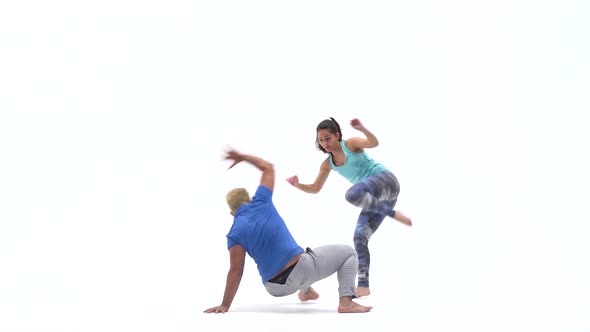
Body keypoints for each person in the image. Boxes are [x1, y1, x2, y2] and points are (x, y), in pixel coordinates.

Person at [203, 148, 372, 314]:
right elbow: (268, 167)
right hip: (302, 270)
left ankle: (306, 291)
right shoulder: (261, 201)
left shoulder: (234, 234)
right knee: (348, 253)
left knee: (300, 259)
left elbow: (236, 270)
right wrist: (243, 157)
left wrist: (224, 305)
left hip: (274, 288)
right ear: (249, 199)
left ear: (232, 213)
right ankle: (346, 302)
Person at [286, 117, 412, 298]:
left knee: (351, 194)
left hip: (387, 182)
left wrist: (363, 128)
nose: (324, 143)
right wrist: (298, 185)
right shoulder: (327, 164)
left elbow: (374, 143)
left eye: (328, 138)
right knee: (359, 237)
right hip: (377, 200)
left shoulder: (351, 145)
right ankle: (363, 285)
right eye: (321, 140)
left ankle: (392, 214)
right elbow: (315, 188)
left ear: (337, 135)